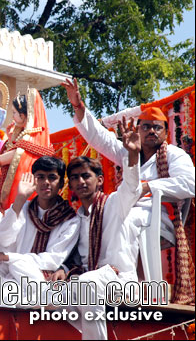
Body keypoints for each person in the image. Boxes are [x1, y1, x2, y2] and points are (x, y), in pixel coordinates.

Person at [61, 77, 195, 304]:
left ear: (164, 132)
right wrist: (78, 106)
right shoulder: (128, 151)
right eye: (146, 127)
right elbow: (99, 137)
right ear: (138, 130)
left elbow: (190, 184)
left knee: (126, 218)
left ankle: (122, 282)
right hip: (128, 208)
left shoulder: (174, 154)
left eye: (156, 128)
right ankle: (108, 276)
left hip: (160, 215)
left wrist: (148, 187)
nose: (151, 131)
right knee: (106, 212)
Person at [51, 117, 142, 340]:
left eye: (86, 176)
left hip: (120, 282)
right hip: (90, 281)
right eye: (75, 178)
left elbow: (131, 186)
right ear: (70, 186)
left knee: (85, 284)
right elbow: (73, 256)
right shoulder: (75, 220)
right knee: (49, 294)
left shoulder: (114, 203)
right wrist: (64, 267)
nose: (81, 181)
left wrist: (132, 155)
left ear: (100, 180)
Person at [0, 156, 79, 289]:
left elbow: (53, 259)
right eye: (40, 177)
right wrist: (20, 199)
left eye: (52, 177)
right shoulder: (23, 208)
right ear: (33, 180)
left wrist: (10, 258)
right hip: (9, 277)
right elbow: (3, 238)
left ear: (61, 183)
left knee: (17, 266)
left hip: (40, 278)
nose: (46, 182)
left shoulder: (70, 219)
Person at [0, 88, 54, 212]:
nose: (12, 116)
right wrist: (11, 137)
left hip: (25, 190)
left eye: (14, 113)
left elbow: (17, 155)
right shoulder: (28, 134)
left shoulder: (32, 136)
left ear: (23, 115)